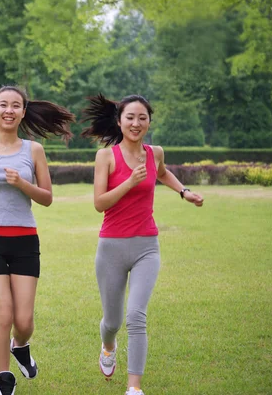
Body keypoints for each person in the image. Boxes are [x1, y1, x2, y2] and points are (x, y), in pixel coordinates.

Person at [81, 94, 204, 395]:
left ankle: (133, 388)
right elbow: (99, 203)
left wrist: (183, 191)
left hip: (147, 246)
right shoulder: (106, 156)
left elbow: (161, 173)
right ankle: (108, 345)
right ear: (119, 121)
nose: (136, 123)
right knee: (112, 321)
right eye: (130, 118)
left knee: (136, 315)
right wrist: (129, 183)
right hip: (111, 247)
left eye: (142, 118)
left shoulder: (155, 153)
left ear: (149, 121)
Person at [0, 85, 75, 395]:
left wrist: (23, 183)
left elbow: (47, 198)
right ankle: (3, 379)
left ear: (23, 112)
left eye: (15, 106)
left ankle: (20, 346)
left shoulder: (33, 150)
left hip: (25, 241)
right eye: (3, 105)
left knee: (23, 321)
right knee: (3, 313)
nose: (9, 110)